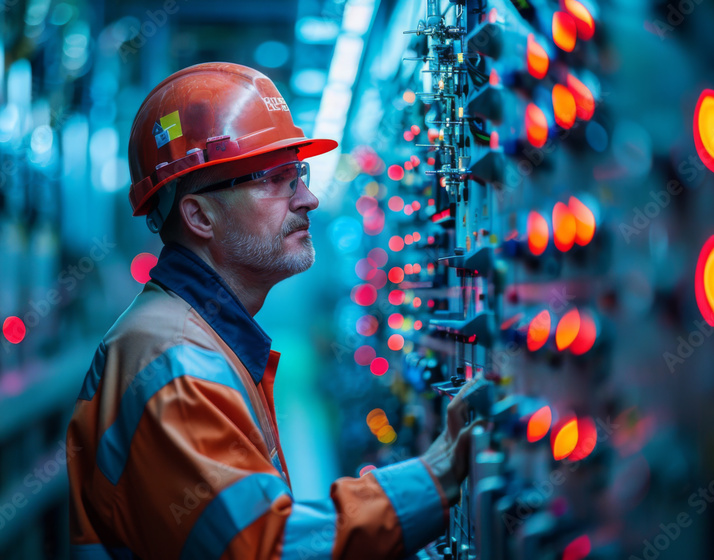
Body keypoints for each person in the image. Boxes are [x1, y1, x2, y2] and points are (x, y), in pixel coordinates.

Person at [66, 62, 484, 560]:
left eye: (299, 174)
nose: (308, 198)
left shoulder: (202, 340)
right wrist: (436, 475)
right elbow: (267, 548)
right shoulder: (174, 363)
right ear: (199, 215)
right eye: (278, 179)